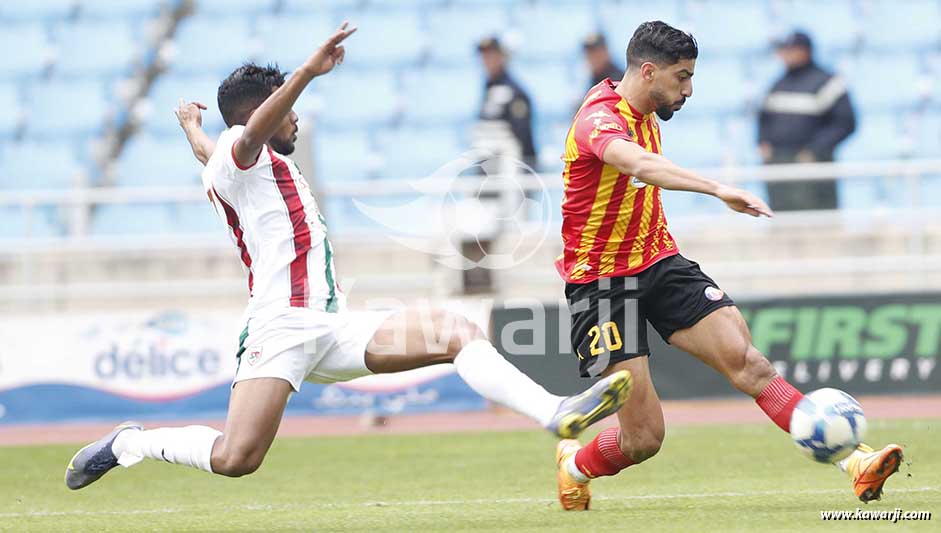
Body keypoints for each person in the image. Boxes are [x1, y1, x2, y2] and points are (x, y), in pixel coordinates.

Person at [64, 22, 634, 491]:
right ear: (260, 113)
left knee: (455, 330)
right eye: (284, 106)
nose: (295, 117)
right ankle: (129, 442)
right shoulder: (241, 156)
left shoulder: (236, 163)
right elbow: (240, 139)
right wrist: (307, 73)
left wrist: (191, 125)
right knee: (237, 456)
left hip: (331, 323)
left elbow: (212, 148)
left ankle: (553, 412)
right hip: (281, 325)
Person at [553, 21, 901, 511]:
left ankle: (855, 461)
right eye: (682, 77)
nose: (689, 89)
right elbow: (636, 164)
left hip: (658, 260)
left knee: (748, 362)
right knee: (644, 438)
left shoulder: (648, 104)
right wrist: (717, 188)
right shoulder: (598, 118)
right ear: (649, 72)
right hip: (601, 283)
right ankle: (574, 464)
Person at [758, 30, 856, 211]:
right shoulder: (778, 83)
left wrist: (815, 150)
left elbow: (846, 123)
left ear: (804, 51)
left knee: (816, 218)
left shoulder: (828, 82)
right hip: (779, 163)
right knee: (783, 216)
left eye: (789, 50)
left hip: (813, 165)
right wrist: (763, 142)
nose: (783, 55)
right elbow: (764, 117)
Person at [476, 36, 536, 168]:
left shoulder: (514, 91)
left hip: (509, 164)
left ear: (501, 57)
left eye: (491, 55)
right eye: (484, 56)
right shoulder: (488, 87)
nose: (486, 60)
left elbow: (522, 133)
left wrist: (527, 167)